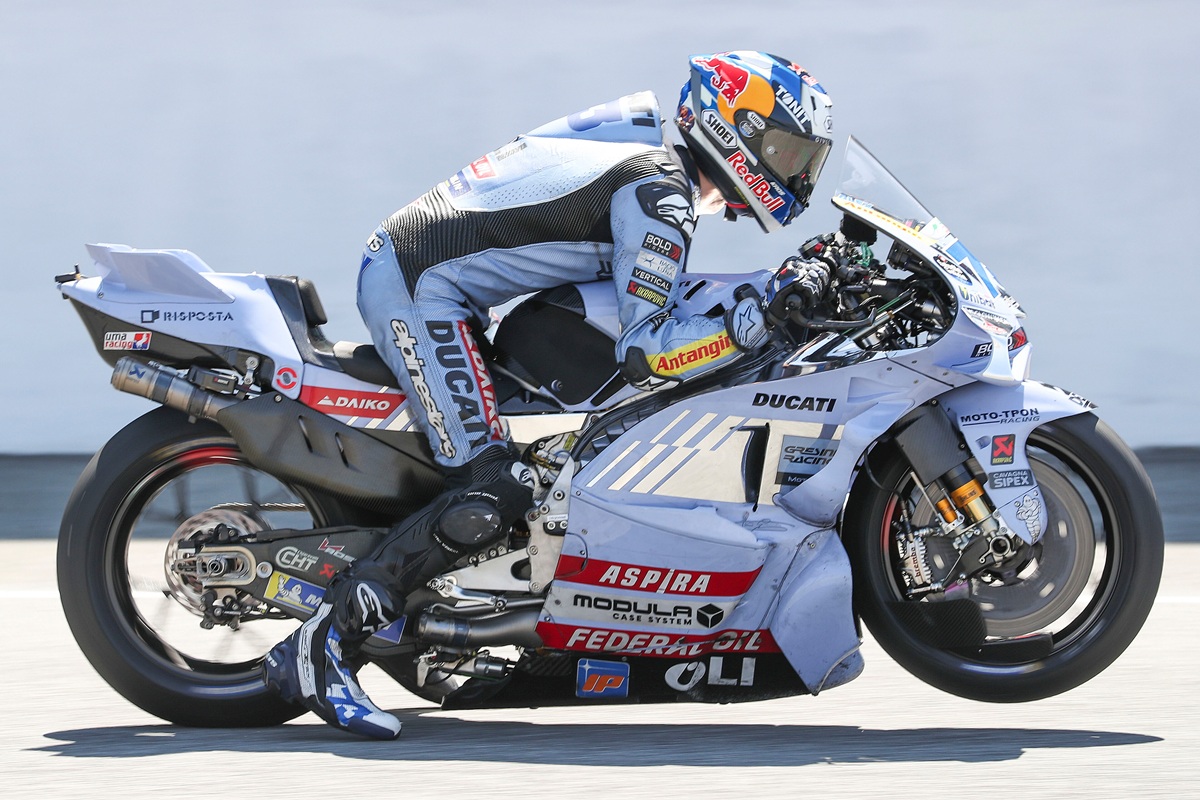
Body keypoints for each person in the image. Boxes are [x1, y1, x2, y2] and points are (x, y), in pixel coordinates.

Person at [265, 50, 835, 739]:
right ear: (737, 129)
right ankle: (321, 643)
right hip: (421, 287)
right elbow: (647, 350)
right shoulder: (660, 192)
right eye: (788, 152)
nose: (797, 173)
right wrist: (757, 319)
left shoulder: (653, 169)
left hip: (434, 279)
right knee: (496, 484)